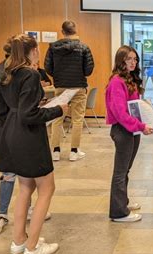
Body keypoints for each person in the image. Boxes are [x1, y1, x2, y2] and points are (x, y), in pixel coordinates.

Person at [0, 34, 68, 254]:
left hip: (13, 132)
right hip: (28, 137)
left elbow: (16, 107)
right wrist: (58, 110)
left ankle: (19, 240)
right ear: (33, 50)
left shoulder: (7, 72)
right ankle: (32, 246)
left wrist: (39, 106)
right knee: (47, 189)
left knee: (25, 188)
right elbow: (30, 114)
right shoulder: (29, 73)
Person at [0, 44, 52, 236]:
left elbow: (22, 106)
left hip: (15, 129)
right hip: (15, 132)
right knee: (14, 178)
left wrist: (27, 106)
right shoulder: (6, 75)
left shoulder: (10, 73)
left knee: (25, 184)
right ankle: (2, 215)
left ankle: (20, 236)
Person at [105, 45, 153, 222]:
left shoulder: (129, 79)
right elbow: (120, 113)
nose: (133, 62)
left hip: (131, 131)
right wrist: (141, 126)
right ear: (121, 61)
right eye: (129, 59)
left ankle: (122, 202)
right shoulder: (117, 82)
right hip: (123, 130)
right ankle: (119, 212)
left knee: (125, 170)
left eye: (135, 59)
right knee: (120, 172)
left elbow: (131, 107)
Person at [45, 20, 94, 162]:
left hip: (60, 87)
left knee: (57, 119)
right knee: (77, 119)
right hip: (78, 86)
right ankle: (74, 151)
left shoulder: (53, 47)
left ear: (63, 31)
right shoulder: (84, 47)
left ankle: (55, 151)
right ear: (75, 30)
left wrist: (58, 76)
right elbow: (89, 69)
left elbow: (48, 68)